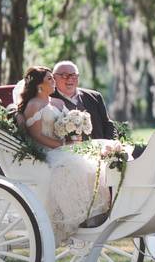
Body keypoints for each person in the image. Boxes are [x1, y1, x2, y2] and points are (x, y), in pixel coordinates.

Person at [18, 66, 118, 243]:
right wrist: (62, 144)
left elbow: (63, 126)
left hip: (64, 147)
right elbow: (36, 136)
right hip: (47, 151)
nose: (54, 82)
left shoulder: (55, 103)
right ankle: (76, 215)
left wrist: (74, 130)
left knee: (95, 159)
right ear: (40, 85)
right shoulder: (33, 105)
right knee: (77, 166)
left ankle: (96, 212)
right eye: (50, 79)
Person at [51, 60, 116, 140]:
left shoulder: (95, 96)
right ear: (54, 77)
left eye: (74, 75)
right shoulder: (48, 99)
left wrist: (108, 144)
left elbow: (107, 124)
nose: (70, 79)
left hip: (97, 149)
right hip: (65, 150)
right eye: (64, 75)